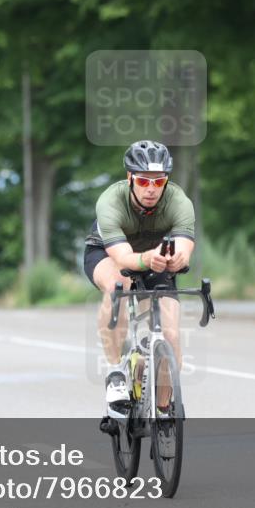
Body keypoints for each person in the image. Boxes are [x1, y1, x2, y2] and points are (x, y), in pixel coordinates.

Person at [82, 140, 196, 415]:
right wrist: (147, 259)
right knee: (118, 285)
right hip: (108, 252)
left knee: (170, 334)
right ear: (130, 178)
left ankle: (163, 410)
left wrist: (178, 258)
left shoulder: (179, 201)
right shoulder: (111, 201)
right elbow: (122, 259)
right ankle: (116, 373)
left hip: (155, 256)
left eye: (158, 183)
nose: (151, 189)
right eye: (144, 181)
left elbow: (183, 246)